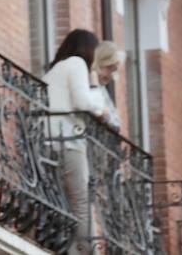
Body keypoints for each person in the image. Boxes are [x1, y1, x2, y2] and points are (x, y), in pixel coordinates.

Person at [45, 29, 109, 253]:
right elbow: (82, 101)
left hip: (47, 142)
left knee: (62, 201)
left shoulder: (55, 70)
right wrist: (101, 111)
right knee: (81, 202)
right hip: (68, 140)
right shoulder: (77, 64)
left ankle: (69, 248)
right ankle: (88, 251)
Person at [90, 40, 124, 132]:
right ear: (98, 62)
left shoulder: (101, 88)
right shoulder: (85, 82)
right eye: (109, 68)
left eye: (114, 70)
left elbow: (116, 124)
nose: (111, 75)